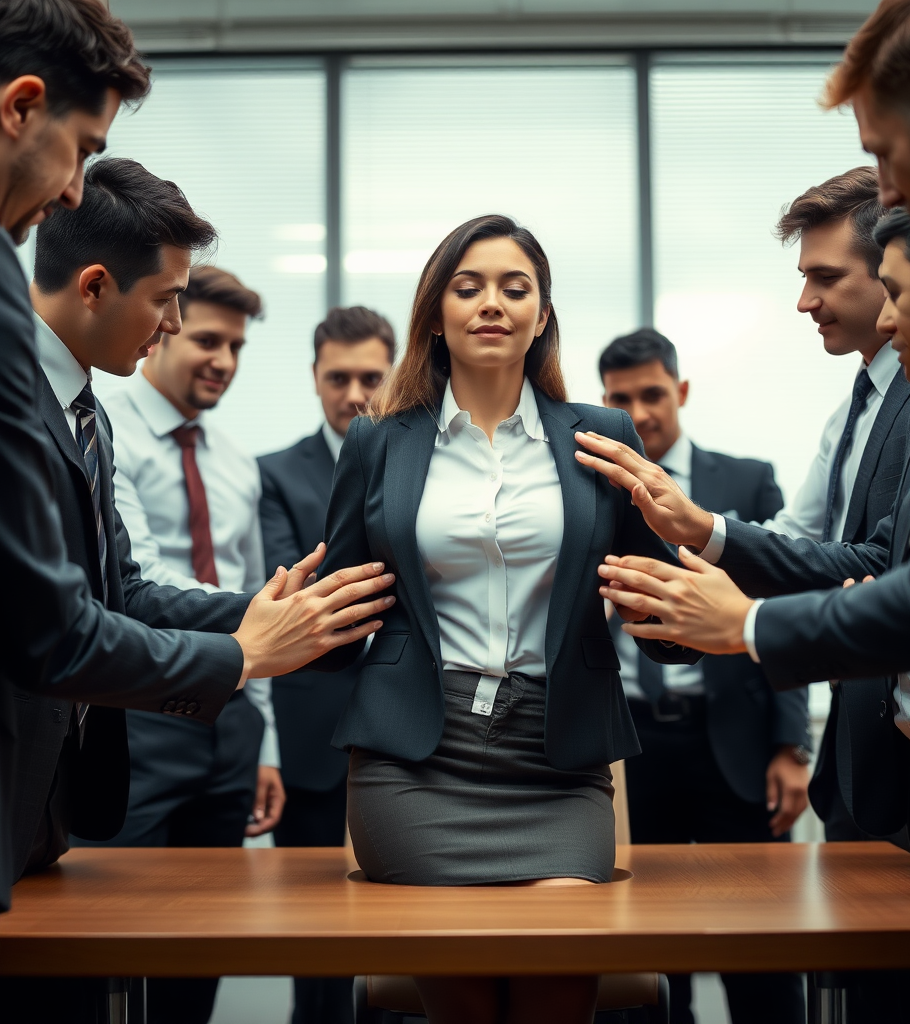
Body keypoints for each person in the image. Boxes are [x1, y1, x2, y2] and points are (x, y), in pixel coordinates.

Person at [578, 1, 910, 1017]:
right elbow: (861, 555)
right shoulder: (871, 385)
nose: (890, 194)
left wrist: (746, 624)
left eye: (884, 157)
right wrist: (710, 539)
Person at [0, 3, 387, 1016]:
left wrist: (273, 614)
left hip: (42, 808)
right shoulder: (2, 320)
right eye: (166, 306)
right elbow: (58, 627)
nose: (174, 331)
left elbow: (123, 590)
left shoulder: (83, 411)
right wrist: (247, 652)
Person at [312, 214, 699, 1024]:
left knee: (561, 986)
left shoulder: (601, 435)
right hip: (415, 759)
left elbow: (651, 597)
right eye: (469, 286)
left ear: (542, 314)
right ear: (437, 313)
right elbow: (343, 600)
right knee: (464, 1002)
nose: (492, 303)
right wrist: (269, 640)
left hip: (556, 763)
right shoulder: (378, 441)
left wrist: (683, 614)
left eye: (514, 288)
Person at [65, 258, 285, 1024]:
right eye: (209, 341)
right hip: (143, 711)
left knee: (207, 939)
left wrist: (265, 748)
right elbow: (140, 580)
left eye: (237, 349)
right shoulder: (101, 421)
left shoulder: (236, 462)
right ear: (164, 331)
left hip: (233, 719)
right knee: (115, 938)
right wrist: (271, 617)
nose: (223, 362)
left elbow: (256, 602)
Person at [598, 328, 807, 1024]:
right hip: (630, 747)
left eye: (654, 393)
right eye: (622, 398)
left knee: (758, 949)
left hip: (735, 741)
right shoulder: (589, 488)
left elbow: (780, 609)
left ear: (681, 391)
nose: (643, 411)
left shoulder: (744, 480)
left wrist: (789, 744)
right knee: (649, 955)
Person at [259, 306, 395, 1024]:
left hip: (416, 732)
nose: (353, 393)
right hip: (315, 731)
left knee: (408, 938)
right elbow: (294, 593)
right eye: (337, 377)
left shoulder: (428, 456)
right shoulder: (275, 473)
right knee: (318, 950)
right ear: (314, 377)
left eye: (370, 377)